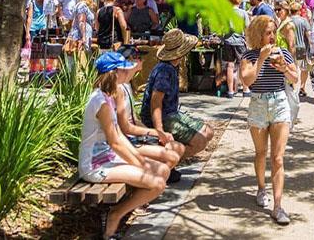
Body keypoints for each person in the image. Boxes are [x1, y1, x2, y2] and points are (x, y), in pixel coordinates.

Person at [78, 51, 170, 240]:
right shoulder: (100, 102)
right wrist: (139, 164)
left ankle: (123, 209)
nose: (128, 72)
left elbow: (120, 136)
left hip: (109, 158)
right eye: (124, 69)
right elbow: (115, 142)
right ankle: (115, 215)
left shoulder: (109, 97)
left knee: (162, 170)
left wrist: (139, 161)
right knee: (158, 183)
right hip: (95, 165)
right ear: (114, 73)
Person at [239, 15, 299, 225]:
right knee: (261, 153)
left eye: (273, 32)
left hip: (279, 103)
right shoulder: (249, 56)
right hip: (258, 105)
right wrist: (262, 59)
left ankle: (278, 206)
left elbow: (295, 78)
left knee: (278, 158)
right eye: (268, 33)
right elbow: (247, 81)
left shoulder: (281, 53)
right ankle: (261, 188)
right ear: (258, 34)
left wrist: (284, 69)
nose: (272, 36)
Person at [100, 51, 186, 183]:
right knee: (172, 156)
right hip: (128, 141)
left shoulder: (128, 85)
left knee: (177, 148)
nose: (142, 60)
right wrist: (155, 133)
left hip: (133, 137)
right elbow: (125, 128)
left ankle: (156, 179)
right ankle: (149, 182)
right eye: (137, 58)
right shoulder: (118, 89)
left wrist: (153, 134)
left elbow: (134, 118)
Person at [141, 29, 215, 157]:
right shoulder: (164, 71)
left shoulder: (172, 67)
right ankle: (166, 160)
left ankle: (171, 157)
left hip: (172, 113)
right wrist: (159, 131)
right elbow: (156, 102)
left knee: (208, 132)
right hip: (164, 116)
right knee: (199, 142)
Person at [221, 0, 250, 98]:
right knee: (243, 65)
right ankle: (246, 89)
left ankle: (230, 91)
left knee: (230, 66)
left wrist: (223, 38)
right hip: (239, 42)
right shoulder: (243, 13)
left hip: (228, 42)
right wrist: (248, 41)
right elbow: (247, 28)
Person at [288, 2, 311, 97]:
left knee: (292, 67)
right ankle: (302, 87)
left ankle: (292, 86)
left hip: (290, 48)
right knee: (304, 69)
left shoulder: (287, 21)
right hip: (302, 47)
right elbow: (308, 35)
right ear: (299, 11)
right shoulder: (303, 21)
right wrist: (311, 47)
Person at [67, 0, 97, 64]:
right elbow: (81, 21)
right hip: (82, 34)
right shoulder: (83, 6)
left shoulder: (78, 5)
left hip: (77, 33)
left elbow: (74, 21)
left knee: (77, 55)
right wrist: (83, 36)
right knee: (83, 55)